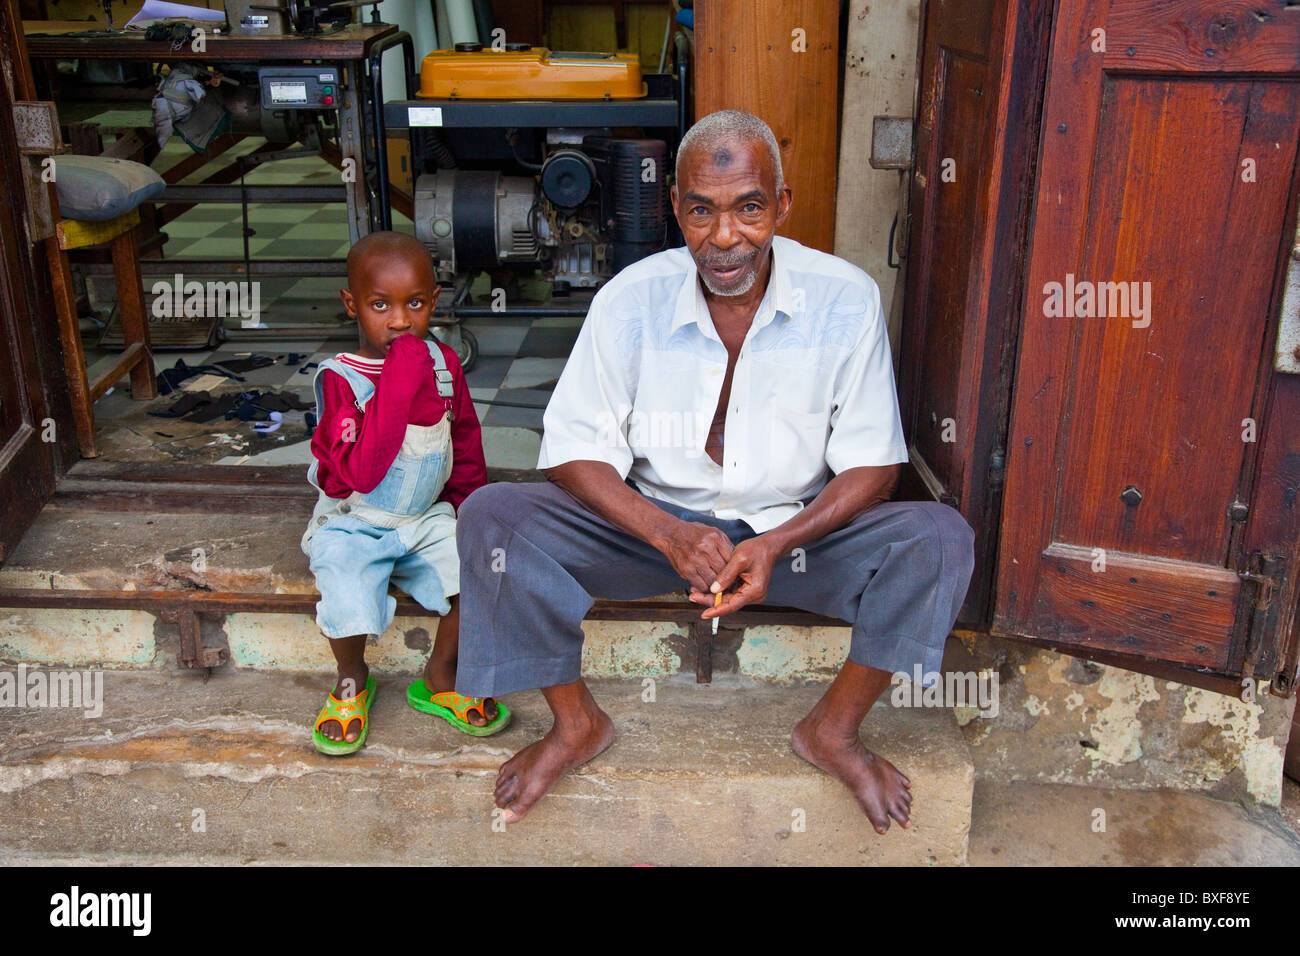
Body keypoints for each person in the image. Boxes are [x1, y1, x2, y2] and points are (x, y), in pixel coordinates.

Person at [455, 110, 975, 833]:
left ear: (782, 206)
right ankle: (575, 725)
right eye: (701, 210)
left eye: (748, 208)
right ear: (675, 208)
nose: (724, 237)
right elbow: (575, 449)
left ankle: (833, 730)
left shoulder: (844, 298)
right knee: (493, 517)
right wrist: (667, 533)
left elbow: (874, 467)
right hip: (650, 534)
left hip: (793, 543)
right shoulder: (628, 301)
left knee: (940, 538)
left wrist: (777, 542)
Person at [302, 231, 507, 755]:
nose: (399, 320)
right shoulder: (340, 380)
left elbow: (463, 438)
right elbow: (359, 472)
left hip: (424, 517)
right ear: (352, 305)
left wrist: (469, 511)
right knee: (344, 587)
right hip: (356, 516)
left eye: (414, 303)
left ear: (434, 301)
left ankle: (440, 676)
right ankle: (352, 678)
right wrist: (400, 376)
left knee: (481, 573)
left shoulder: (445, 366)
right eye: (379, 305)